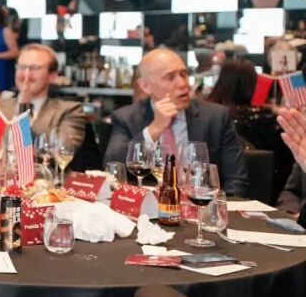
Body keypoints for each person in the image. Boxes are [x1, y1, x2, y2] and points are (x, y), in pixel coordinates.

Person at [104, 48, 249, 196]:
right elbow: (112, 167)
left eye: (184, 74)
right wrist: (153, 129)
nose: (182, 83)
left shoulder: (216, 117)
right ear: (146, 86)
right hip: (148, 206)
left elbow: (237, 181)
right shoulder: (127, 117)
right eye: (170, 77)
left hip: (199, 204)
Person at [0, 43, 86, 152]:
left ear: (52, 76)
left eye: (35, 68)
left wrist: (23, 112)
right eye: (22, 67)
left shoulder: (69, 110)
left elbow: (63, 151)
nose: (26, 74)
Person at [207, 57, 292, 193]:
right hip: (264, 188)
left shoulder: (208, 114)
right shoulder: (264, 118)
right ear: (253, 82)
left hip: (215, 186)